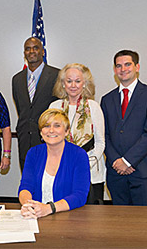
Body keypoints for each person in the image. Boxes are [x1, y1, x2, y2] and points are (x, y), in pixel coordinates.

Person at [100, 50, 147, 206]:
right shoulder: (107, 99)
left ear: (137, 67)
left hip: (142, 171)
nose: (123, 69)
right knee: (119, 223)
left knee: (144, 223)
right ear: (115, 70)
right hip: (116, 173)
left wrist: (128, 162)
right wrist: (117, 161)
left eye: (128, 64)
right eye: (119, 66)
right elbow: (104, 135)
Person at [49, 63, 106, 204]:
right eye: (69, 81)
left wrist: (85, 164)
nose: (73, 85)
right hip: (61, 171)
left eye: (78, 81)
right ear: (63, 84)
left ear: (85, 83)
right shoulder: (54, 107)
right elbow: (49, 140)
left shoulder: (93, 107)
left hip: (91, 171)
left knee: (91, 218)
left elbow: (100, 143)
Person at [19, 109, 90, 219]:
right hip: (37, 215)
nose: (51, 130)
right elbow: (25, 187)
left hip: (68, 217)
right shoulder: (33, 153)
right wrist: (28, 205)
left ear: (66, 131)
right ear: (41, 132)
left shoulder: (79, 155)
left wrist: (49, 208)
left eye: (57, 126)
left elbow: (79, 195)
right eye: (46, 126)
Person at [12, 37, 59, 171]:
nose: (31, 51)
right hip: (25, 141)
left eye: (35, 48)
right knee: (28, 184)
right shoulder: (17, 79)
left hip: (49, 140)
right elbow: (22, 110)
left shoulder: (57, 75)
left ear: (43, 52)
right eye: (27, 49)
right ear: (24, 53)